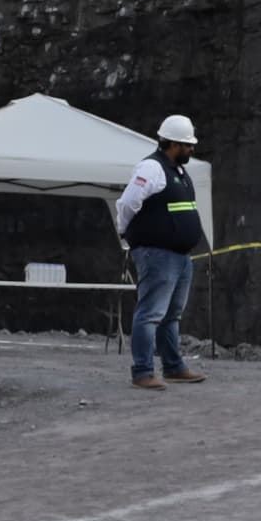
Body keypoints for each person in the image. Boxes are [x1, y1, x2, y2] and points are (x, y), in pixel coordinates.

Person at [110, 115, 212, 388]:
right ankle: (142, 372)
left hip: (179, 256)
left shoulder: (177, 170)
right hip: (158, 254)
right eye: (187, 145)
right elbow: (128, 202)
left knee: (171, 315)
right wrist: (125, 231)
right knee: (151, 313)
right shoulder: (151, 168)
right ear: (173, 144)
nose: (192, 150)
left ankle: (173, 367)